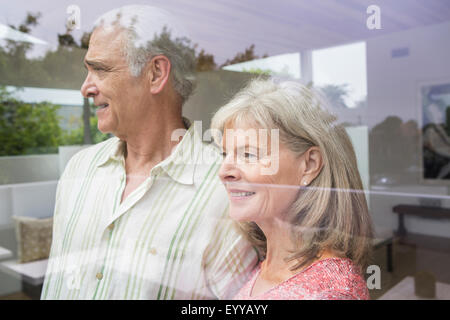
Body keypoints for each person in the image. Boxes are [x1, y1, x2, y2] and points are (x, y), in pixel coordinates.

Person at [41, 5, 257, 300]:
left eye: (100, 70)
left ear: (156, 73)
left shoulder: (226, 192)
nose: (86, 88)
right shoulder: (79, 169)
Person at [211, 78, 374, 300]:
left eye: (248, 154)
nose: (224, 172)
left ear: (309, 165)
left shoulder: (331, 292)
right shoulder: (267, 263)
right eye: (225, 154)